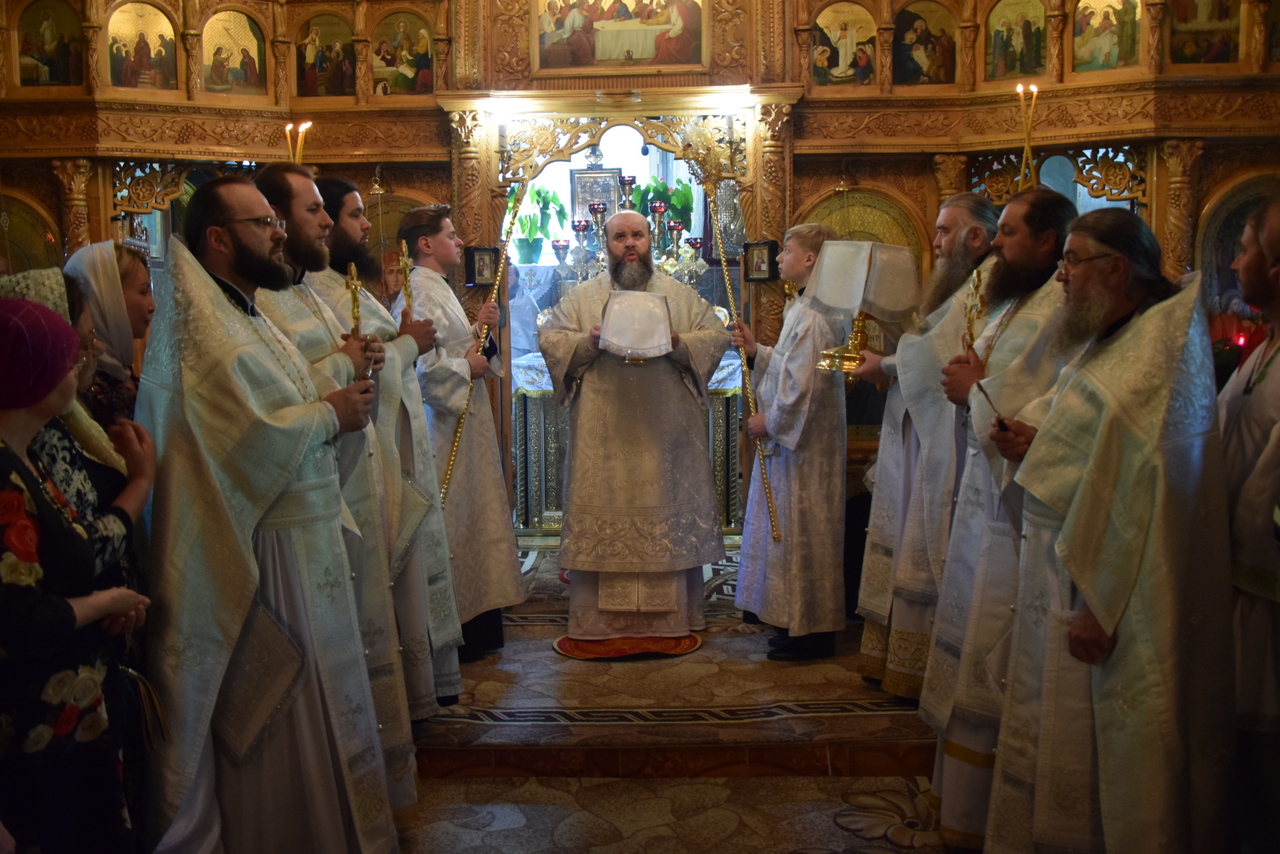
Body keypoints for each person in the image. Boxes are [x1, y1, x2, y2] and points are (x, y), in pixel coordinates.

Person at [140, 175, 398, 853]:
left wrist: (333, 392)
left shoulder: (248, 314)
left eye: (277, 222)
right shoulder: (206, 334)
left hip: (306, 540)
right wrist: (329, 414)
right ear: (218, 239)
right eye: (264, 224)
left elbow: (282, 395)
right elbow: (241, 441)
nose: (279, 233)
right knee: (288, 711)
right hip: (267, 554)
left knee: (325, 703)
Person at [985, 209, 1233, 853]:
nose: (1061, 276)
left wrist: (1101, 604)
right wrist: (1032, 437)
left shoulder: (1153, 355)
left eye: (1073, 261)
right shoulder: (1116, 335)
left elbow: (1141, 496)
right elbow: (1081, 424)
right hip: (1064, 568)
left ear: (1116, 269)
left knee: (1096, 762)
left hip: (1106, 589)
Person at [253, 163, 428, 806]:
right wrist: (356, 360)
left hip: (346, 477)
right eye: (315, 211)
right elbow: (278, 400)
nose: (328, 222)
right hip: (302, 506)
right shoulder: (267, 300)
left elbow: (337, 366)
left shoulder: (303, 290)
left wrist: (369, 358)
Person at [917, 188, 1077, 850]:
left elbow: (1052, 407)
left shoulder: (1056, 311)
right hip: (983, 502)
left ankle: (989, 820)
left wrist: (976, 392)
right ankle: (961, 812)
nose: (998, 244)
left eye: (1009, 232)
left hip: (1017, 520)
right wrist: (970, 381)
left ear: (1047, 241)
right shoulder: (1012, 301)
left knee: (998, 656)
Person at [0, 297, 152, 854]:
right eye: (66, 357)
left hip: (75, 707)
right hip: (39, 723)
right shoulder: (3, 474)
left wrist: (106, 605)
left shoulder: (27, 456)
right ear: (30, 372)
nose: (79, 364)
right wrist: (106, 602)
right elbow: (22, 619)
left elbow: (67, 559)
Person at [311, 175, 466, 719]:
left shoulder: (339, 286)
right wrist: (408, 344)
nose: (362, 225)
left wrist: (401, 342)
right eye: (353, 215)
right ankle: (400, 698)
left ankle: (419, 684)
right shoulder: (318, 295)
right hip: (364, 457)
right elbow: (360, 367)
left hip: (395, 447)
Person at [539, 210, 730, 644]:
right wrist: (588, 342)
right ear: (605, 244)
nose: (630, 244)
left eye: (638, 235)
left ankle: (670, 620)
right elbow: (551, 338)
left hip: (665, 434)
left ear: (650, 240)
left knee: (665, 510)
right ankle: (599, 624)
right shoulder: (583, 297)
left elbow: (715, 336)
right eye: (620, 236)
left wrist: (679, 342)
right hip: (603, 435)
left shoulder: (679, 296)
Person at [850, 192, 998, 699]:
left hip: (948, 433)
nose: (935, 242)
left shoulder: (985, 284)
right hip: (928, 425)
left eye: (944, 231)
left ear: (975, 236)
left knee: (926, 533)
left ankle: (920, 662)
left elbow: (936, 354)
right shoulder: (968, 284)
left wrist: (886, 364)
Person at [394, 205, 526, 662]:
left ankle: (477, 622)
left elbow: (449, 345)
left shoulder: (436, 287)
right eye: (451, 235)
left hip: (463, 427)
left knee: (471, 519)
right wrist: (466, 367)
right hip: (441, 431)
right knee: (452, 522)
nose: (460, 242)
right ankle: (454, 631)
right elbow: (419, 369)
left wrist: (478, 328)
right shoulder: (418, 292)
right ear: (425, 244)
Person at [731, 224, 847, 661]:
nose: (778, 258)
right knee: (792, 533)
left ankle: (812, 632)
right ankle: (793, 621)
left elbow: (804, 387)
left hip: (806, 451)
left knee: (805, 532)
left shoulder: (815, 317)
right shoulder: (805, 306)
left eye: (788, 251)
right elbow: (787, 365)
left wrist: (771, 422)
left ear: (811, 259)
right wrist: (758, 352)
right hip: (795, 449)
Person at [1219, 192, 1280, 851]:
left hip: (1263, 589)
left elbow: (1268, 492)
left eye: (1244, 250)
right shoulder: (1263, 349)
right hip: (1240, 586)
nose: (1234, 264)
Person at [63, 240, 155, 428]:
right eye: (143, 291)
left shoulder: (119, 369)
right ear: (108, 297)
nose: (152, 305)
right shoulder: (82, 382)